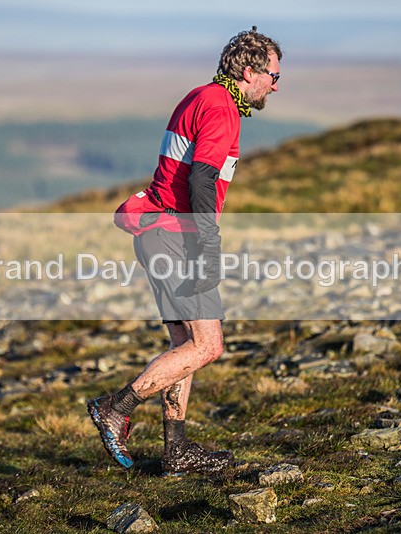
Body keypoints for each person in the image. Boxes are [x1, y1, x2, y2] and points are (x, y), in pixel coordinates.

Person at [88, 27, 282, 475]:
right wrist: (207, 246)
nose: (276, 84)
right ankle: (114, 407)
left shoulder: (201, 96)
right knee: (208, 345)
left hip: (160, 233)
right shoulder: (221, 108)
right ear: (249, 71)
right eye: (273, 75)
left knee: (185, 343)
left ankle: (176, 450)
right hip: (177, 236)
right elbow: (200, 180)